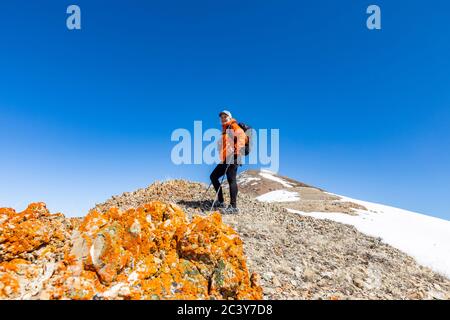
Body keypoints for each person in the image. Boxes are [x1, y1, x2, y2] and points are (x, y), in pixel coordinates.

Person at [210, 110, 247, 214]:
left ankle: (233, 207)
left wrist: (236, 152)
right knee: (213, 176)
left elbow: (242, 137)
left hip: (233, 157)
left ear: (230, 117)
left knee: (231, 180)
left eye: (225, 116)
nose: (223, 118)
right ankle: (221, 201)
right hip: (226, 158)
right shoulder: (225, 129)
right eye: (221, 117)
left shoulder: (233, 126)